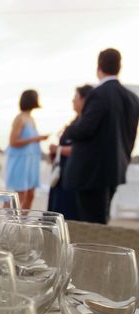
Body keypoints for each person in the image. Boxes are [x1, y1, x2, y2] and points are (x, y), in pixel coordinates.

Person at [63, 48, 139, 224]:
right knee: (102, 220)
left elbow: (84, 129)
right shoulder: (132, 98)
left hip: (91, 172)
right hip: (116, 169)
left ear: (99, 67)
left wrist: (68, 130)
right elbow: (130, 136)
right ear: (119, 67)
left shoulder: (98, 93)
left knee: (90, 222)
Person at [47, 84, 94, 220]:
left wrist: (58, 149)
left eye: (76, 98)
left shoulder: (86, 124)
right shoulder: (75, 122)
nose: (73, 101)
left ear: (84, 100)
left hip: (73, 177)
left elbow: (81, 149)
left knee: (69, 213)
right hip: (61, 175)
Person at [5, 90, 48, 209]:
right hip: (21, 160)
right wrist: (35, 139)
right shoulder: (20, 118)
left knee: (30, 194)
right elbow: (13, 142)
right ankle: (5, 223)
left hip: (32, 160)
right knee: (19, 194)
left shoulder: (31, 118)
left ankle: (22, 224)